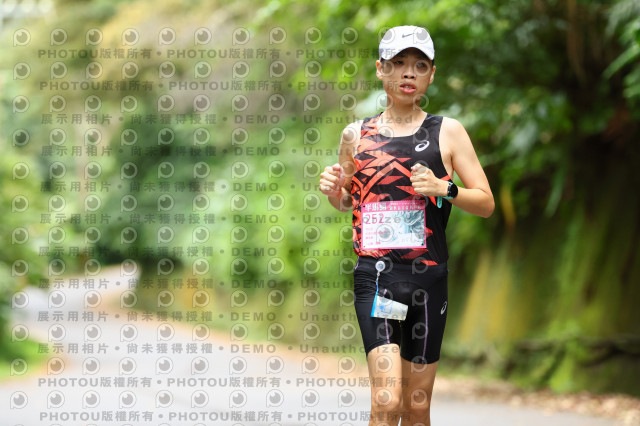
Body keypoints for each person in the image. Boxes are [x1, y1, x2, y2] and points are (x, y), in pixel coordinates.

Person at [319, 25, 494, 425]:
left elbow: (485, 202)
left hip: (428, 282)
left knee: (415, 408)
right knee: (386, 401)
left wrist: (444, 188)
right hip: (377, 279)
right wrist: (334, 190)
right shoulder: (355, 135)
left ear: (432, 74)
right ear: (380, 69)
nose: (408, 72)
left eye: (419, 65)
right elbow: (348, 202)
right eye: (398, 63)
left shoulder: (448, 132)